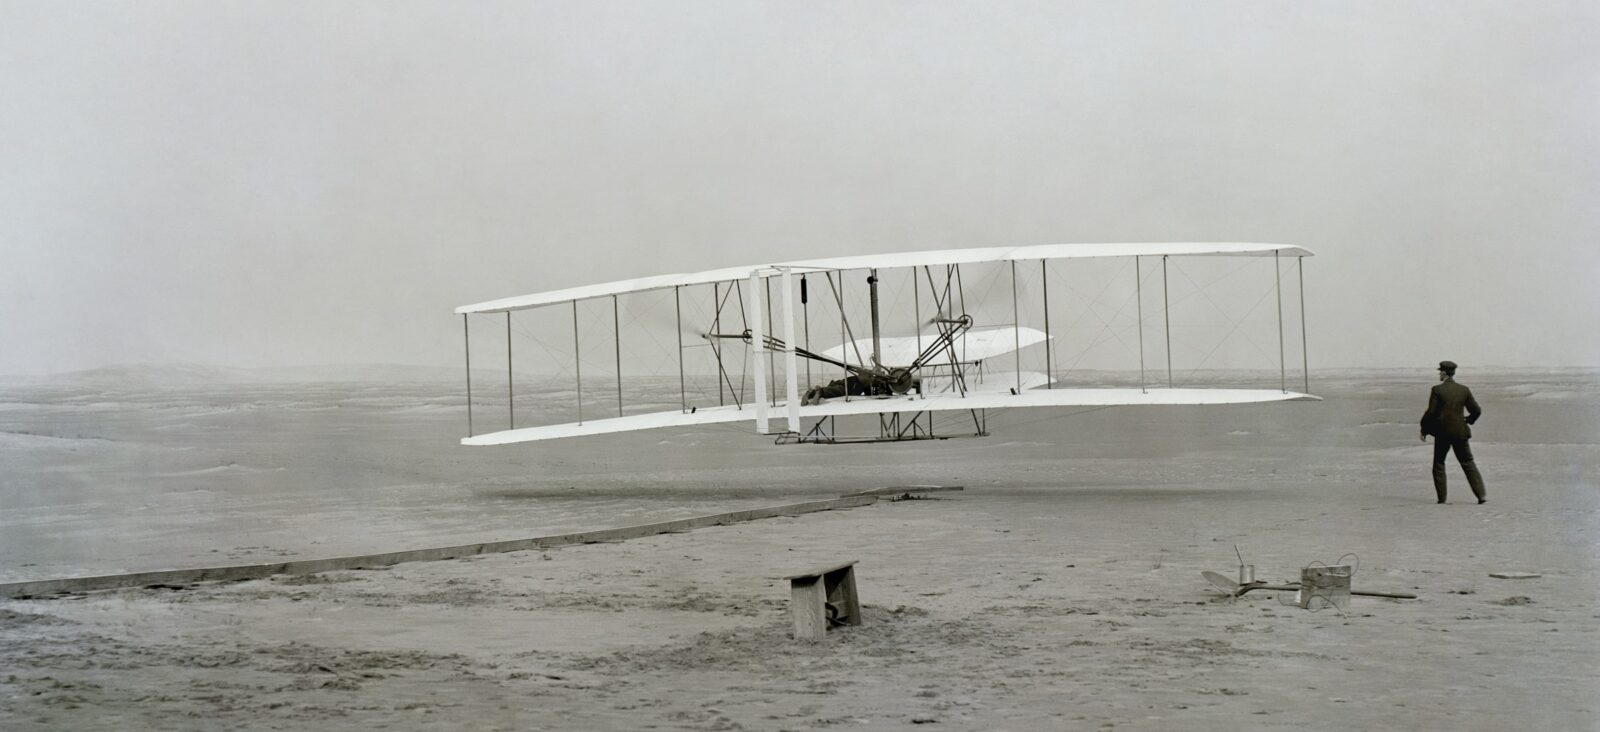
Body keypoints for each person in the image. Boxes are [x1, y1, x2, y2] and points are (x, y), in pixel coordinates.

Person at [1419, 360, 1487, 504]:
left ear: (1444, 372)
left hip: (1442, 433)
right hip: (1460, 432)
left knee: (1439, 464)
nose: (1439, 373)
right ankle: (1481, 496)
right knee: (1468, 463)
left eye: (1440, 371)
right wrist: (1469, 420)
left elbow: (1431, 413)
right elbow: (1476, 410)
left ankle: (1442, 499)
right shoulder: (1464, 389)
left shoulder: (1437, 390)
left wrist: (1424, 429)